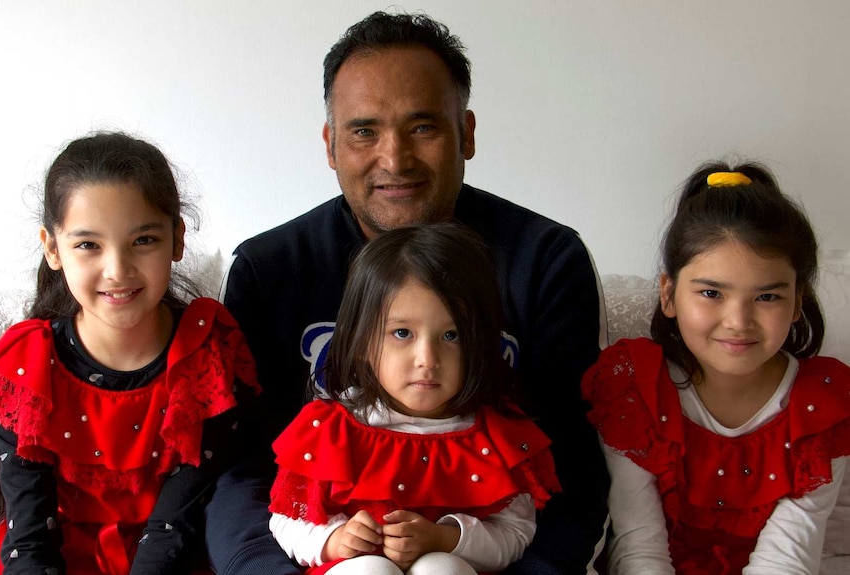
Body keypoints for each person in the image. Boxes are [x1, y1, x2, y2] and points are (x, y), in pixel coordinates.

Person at [211, 10, 609, 575]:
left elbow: (573, 471)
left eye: (422, 127)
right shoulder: (270, 268)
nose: (394, 160)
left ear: (466, 133)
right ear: (330, 145)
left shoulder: (545, 260)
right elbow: (243, 471)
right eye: (364, 131)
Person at [0, 131, 261, 574]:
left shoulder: (207, 357)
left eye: (143, 241)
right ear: (52, 248)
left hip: (175, 552)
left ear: (177, 239)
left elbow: (175, 524)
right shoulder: (24, 367)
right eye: (88, 245)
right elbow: (29, 538)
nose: (117, 270)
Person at [580, 161, 850, 574]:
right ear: (668, 294)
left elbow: (790, 554)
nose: (738, 321)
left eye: (767, 298)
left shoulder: (823, 403)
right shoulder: (635, 389)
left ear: (797, 302)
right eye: (711, 293)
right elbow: (638, 544)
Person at [268, 223, 562, 575]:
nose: (427, 358)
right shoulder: (331, 428)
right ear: (362, 342)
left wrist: (446, 539)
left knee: (442, 569)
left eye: (451, 335)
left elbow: (516, 533)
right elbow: (285, 520)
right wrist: (334, 540)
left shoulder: (498, 433)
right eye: (402, 333)